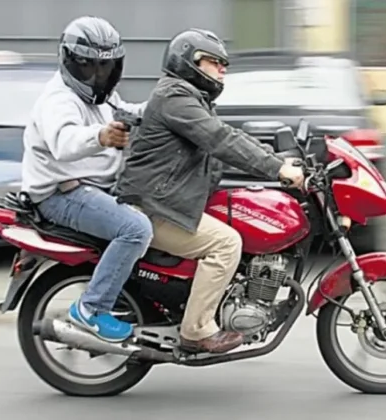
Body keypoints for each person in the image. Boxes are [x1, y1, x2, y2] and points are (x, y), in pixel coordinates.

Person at [115, 28, 305, 354]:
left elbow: (227, 138)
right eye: (214, 62)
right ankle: (196, 330)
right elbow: (220, 140)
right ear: (190, 62)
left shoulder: (188, 98)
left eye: (223, 64)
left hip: (167, 199)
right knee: (227, 244)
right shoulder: (175, 98)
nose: (222, 70)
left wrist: (279, 160)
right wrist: (277, 169)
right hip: (153, 205)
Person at [21, 16, 153, 343]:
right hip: (62, 195)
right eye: (91, 67)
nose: (99, 75)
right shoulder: (59, 99)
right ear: (70, 61)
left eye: (106, 68)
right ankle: (91, 309)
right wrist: (101, 136)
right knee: (136, 229)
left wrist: (167, 106)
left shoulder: (100, 95)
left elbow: (127, 113)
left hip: (95, 186)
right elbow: (64, 142)